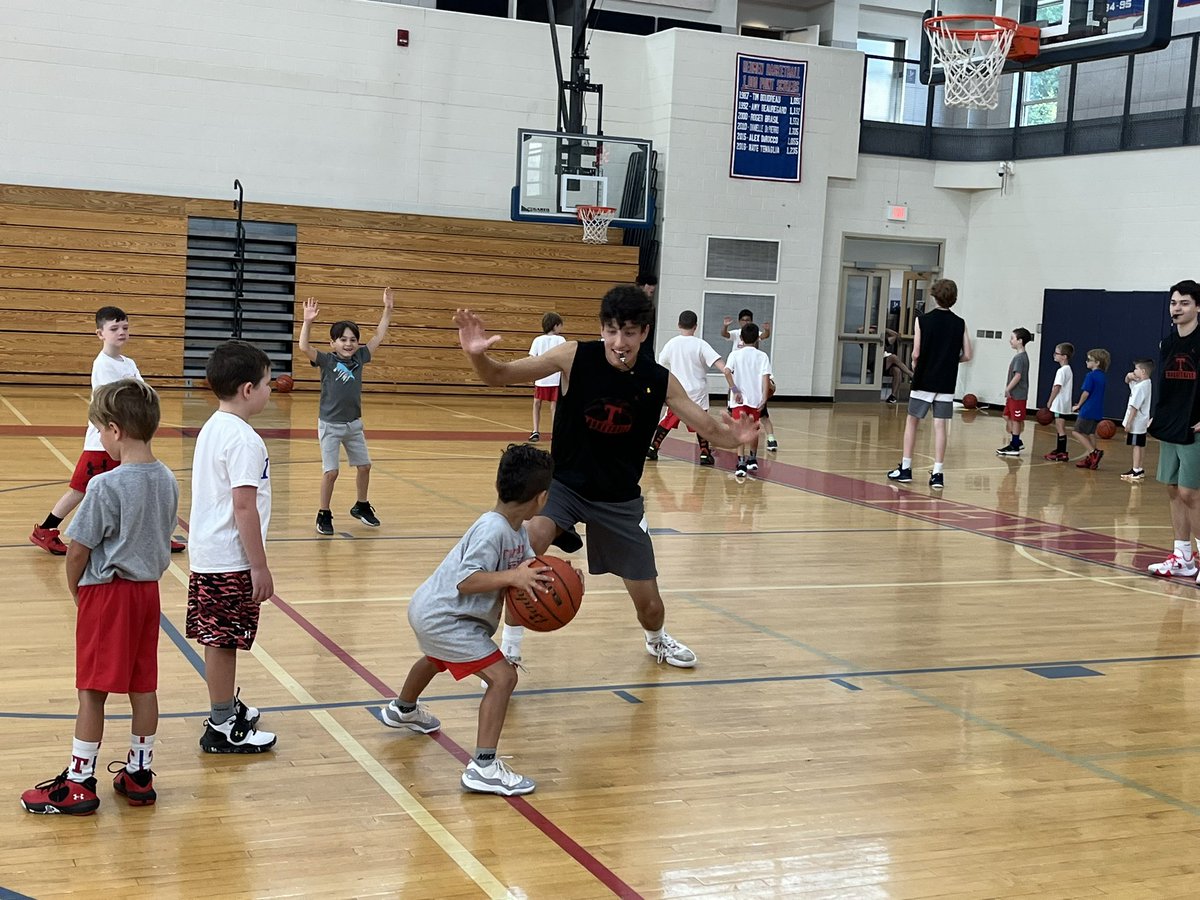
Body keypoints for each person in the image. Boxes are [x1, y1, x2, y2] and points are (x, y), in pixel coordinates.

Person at [454, 284, 760, 669]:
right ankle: (510, 647)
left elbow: (710, 428)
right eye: (612, 331)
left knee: (650, 605)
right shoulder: (572, 357)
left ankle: (656, 640)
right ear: (601, 328)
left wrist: (737, 439)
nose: (619, 342)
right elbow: (499, 375)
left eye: (629, 333)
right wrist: (477, 356)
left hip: (619, 499)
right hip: (563, 487)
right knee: (528, 548)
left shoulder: (658, 379)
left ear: (644, 333)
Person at [21, 379, 178, 815]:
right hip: (147, 595)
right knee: (143, 685)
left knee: (91, 690)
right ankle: (139, 773)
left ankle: (78, 782)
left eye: (99, 430)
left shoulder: (105, 486)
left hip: (108, 595)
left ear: (114, 430)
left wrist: (76, 589)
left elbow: (78, 550)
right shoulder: (168, 479)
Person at [381, 444, 558, 796]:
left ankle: (403, 709)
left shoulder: (516, 530)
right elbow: (467, 580)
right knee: (503, 678)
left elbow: (528, 569)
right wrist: (513, 577)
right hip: (446, 618)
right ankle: (484, 767)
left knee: (436, 658)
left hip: (433, 611)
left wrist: (561, 578)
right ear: (541, 499)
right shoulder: (492, 529)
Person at [30, 307, 183, 556]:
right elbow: (115, 401)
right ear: (100, 333)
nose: (121, 332)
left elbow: (143, 392)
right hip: (102, 443)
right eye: (114, 328)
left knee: (136, 486)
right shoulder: (102, 365)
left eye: (125, 328)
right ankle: (46, 529)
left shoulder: (128, 363)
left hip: (125, 440)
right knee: (80, 490)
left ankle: (154, 534)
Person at [188, 340, 277, 753]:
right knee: (224, 643)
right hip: (229, 559)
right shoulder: (244, 440)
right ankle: (222, 724)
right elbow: (244, 507)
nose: (271, 390)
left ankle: (224, 707)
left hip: (210, 553)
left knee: (219, 639)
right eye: (267, 383)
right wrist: (258, 566)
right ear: (248, 389)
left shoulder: (214, 426)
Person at [299, 289, 393, 536]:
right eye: (343, 339)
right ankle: (324, 513)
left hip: (353, 425)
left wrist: (388, 309)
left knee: (365, 466)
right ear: (333, 343)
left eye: (352, 339)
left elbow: (379, 335)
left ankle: (361, 505)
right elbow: (304, 346)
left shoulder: (360, 357)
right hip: (330, 425)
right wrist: (307, 321)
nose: (348, 343)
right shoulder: (327, 361)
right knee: (331, 472)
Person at [886, 279, 972, 489]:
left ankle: (906, 469)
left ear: (934, 296)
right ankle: (938, 474)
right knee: (940, 426)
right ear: (954, 298)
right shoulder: (960, 323)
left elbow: (916, 353)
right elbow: (968, 355)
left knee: (912, 422)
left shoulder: (923, 320)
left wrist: (915, 365)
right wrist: (950, 361)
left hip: (925, 378)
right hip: (946, 381)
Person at [1148, 281, 1200, 579]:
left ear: (1198, 307)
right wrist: (1158, 416)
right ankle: (1183, 558)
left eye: (1184, 303)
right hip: (1171, 424)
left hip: (1195, 427)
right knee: (1172, 489)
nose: (1177, 308)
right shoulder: (1167, 343)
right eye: (1173, 303)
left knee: (1191, 492)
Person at [646, 310, 730, 466]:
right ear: (695, 326)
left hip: (678, 390)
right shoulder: (701, 344)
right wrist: (731, 376)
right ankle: (704, 453)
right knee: (701, 421)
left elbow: (660, 364)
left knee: (668, 419)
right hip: (698, 391)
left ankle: (653, 447)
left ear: (678, 325)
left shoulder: (672, 343)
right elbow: (720, 365)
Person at [722, 309, 779, 450]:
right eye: (743, 320)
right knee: (739, 417)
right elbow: (725, 334)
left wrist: (767, 331)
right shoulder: (737, 336)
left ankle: (769, 439)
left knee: (761, 417)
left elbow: (764, 335)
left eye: (748, 320)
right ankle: (745, 451)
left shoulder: (758, 352)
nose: (746, 322)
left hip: (751, 387)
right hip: (743, 385)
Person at [725, 322, 773, 479]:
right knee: (754, 429)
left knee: (739, 430)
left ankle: (741, 462)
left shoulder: (734, 355)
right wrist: (764, 398)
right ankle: (752, 458)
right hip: (755, 399)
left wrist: (734, 389)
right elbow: (765, 378)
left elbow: (726, 371)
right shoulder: (762, 356)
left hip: (738, 400)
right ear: (757, 338)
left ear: (741, 338)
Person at [996, 327, 1034, 456]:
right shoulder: (1019, 356)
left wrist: (1008, 388)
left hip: (1018, 395)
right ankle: (1017, 441)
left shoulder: (1020, 358)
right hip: (1013, 395)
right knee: (1006, 416)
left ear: (1020, 341)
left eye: (1012, 338)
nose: (1010, 341)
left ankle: (1015, 446)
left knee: (1015, 419)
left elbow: (1018, 376)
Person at [528, 312, 565, 442]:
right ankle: (555, 433)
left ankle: (535, 430)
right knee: (554, 407)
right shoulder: (561, 340)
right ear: (555, 326)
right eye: (560, 325)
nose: (561, 328)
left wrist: (532, 374)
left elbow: (532, 359)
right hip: (556, 379)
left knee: (536, 403)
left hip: (541, 378)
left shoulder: (537, 340)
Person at [1071, 348, 1110, 470]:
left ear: (1097, 362)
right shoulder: (1102, 376)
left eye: (1089, 360)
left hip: (1088, 409)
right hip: (1097, 409)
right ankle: (1091, 459)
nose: (1086, 362)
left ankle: (1093, 453)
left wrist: (1079, 405)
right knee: (1090, 433)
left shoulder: (1090, 375)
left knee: (1076, 431)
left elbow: (1086, 393)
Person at [1122, 358, 1154, 482]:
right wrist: (1129, 376)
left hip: (1136, 421)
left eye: (1136, 369)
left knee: (1136, 446)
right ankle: (1139, 468)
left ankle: (1135, 470)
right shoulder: (1146, 383)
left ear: (1143, 371)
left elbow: (1134, 407)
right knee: (1140, 445)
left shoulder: (1140, 387)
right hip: (1142, 421)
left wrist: (1129, 423)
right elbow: (1127, 381)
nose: (1134, 371)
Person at [1042, 342, 1075, 462]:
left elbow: (1057, 387)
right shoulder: (1068, 369)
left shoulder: (1061, 371)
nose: (1054, 355)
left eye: (1057, 353)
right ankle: (1060, 449)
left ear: (1064, 356)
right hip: (1064, 402)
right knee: (1060, 426)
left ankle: (1062, 452)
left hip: (1059, 403)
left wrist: (1050, 401)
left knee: (1060, 427)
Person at [882, 328, 912, 404]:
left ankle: (893, 396)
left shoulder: (882, 340)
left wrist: (883, 329)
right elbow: (860, 330)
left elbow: (895, 335)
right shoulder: (870, 340)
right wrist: (872, 327)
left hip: (885, 364)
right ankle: (911, 374)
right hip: (874, 364)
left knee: (897, 370)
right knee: (893, 357)